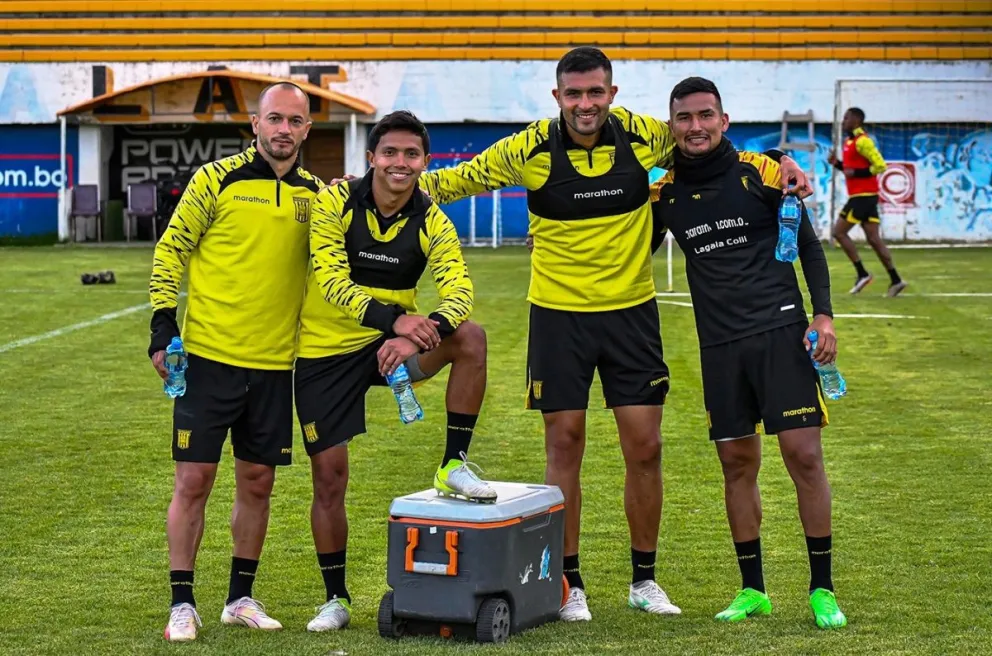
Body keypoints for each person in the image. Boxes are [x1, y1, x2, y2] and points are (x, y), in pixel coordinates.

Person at [404, 46, 812, 622]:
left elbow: (714, 147)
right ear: (557, 98)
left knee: (645, 448)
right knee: (563, 445)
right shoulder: (529, 148)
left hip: (631, 316)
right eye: (574, 94)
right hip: (558, 317)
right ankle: (570, 585)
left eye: (596, 92)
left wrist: (782, 158)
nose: (585, 104)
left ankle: (644, 580)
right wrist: (377, 180)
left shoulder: (647, 136)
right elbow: (452, 183)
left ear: (612, 94)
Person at [650, 76, 847, 630]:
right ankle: (753, 589)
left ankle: (822, 590)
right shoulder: (663, 193)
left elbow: (807, 244)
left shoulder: (764, 172)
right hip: (719, 347)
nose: (696, 126)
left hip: (781, 336)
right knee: (736, 464)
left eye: (705, 115)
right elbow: (627, 244)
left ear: (724, 120)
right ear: (672, 126)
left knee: (803, 457)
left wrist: (824, 315)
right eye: (685, 118)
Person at [294, 110, 494, 632]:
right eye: (390, 153)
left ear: (424, 162)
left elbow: (460, 290)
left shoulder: (432, 217)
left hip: (389, 348)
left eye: (411, 155)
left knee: (470, 336)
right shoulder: (335, 202)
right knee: (329, 478)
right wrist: (396, 319)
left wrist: (419, 328)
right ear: (371, 158)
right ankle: (336, 598)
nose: (399, 163)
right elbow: (332, 280)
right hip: (324, 354)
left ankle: (453, 463)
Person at [148, 82, 322, 642]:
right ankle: (182, 604)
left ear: (306, 129)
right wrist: (161, 323)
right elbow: (171, 248)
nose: (283, 130)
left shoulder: (318, 196)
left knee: (257, 481)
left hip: (274, 366)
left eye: (294, 122)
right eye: (274, 119)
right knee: (194, 480)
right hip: (206, 359)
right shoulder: (215, 180)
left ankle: (239, 597)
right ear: (255, 123)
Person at [829, 107, 907, 297]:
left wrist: (858, 173)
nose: (843, 121)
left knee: (838, 232)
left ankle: (862, 274)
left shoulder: (863, 141)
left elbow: (880, 165)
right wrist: (837, 164)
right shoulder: (850, 142)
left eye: (846, 118)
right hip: (864, 196)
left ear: (856, 121)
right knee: (874, 239)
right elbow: (851, 170)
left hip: (862, 196)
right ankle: (896, 280)